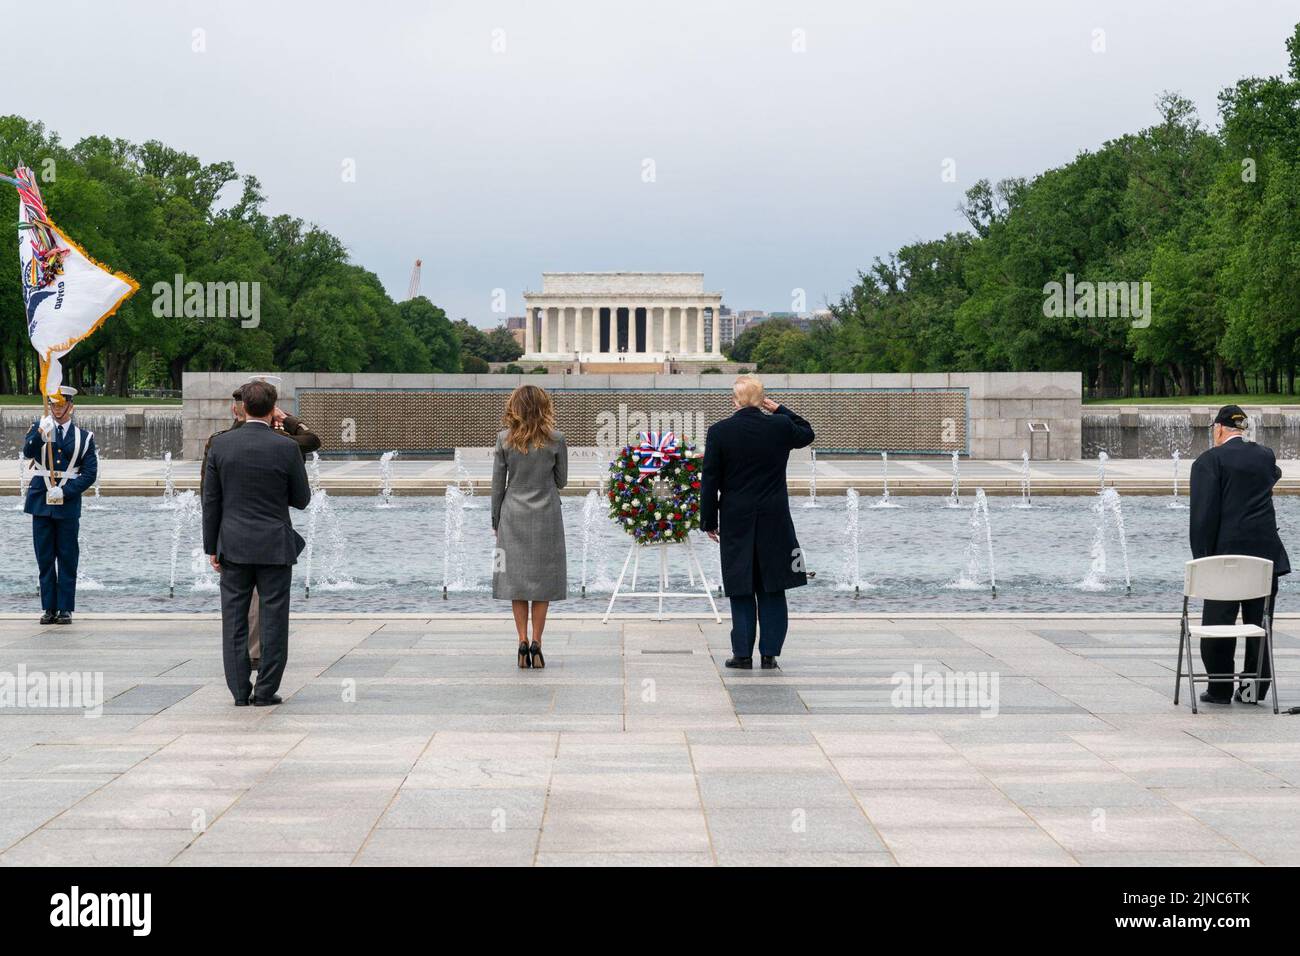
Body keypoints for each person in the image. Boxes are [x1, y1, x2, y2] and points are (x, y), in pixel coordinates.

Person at [202, 379, 311, 706]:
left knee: (234, 620)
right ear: (272, 407)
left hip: (233, 544)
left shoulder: (220, 446)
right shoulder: (287, 446)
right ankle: (265, 692)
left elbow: (211, 502)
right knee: (274, 619)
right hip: (274, 545)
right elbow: (302, 499)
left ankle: (239, 691)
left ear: (242, 407)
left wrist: (212, 548)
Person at [701, 375, 814, 670]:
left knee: (741, 586)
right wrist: (779, 409)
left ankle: (741, 654)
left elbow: (710, 480)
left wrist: (708, 520)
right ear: (762, 399)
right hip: (775, 518)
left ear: (735, 401)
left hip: (736, 517)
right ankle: (770, 653)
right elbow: (807, 433)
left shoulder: (719, 432)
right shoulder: (779, 427)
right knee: (773, 586)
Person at [1189, 404, 1291, 705]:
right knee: (1259, 626)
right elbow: (1274, 474)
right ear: (1240, 428)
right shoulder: (1264, 456)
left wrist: (1203, 559)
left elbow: (1203, 518)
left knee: (1218, 625)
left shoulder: (1209, 461)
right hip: (1265, 559)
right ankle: (1251, 691)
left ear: (1219, 429)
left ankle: (1219, 689)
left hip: (1226, 560)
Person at [491, 384, 568, 669]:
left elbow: (497, 485)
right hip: (546, 515)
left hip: (513, 515)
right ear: (544, 407)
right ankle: (537, 642)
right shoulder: (556, 439)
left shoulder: (504, 440)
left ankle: (521, 640)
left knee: (517, 582)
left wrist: (495, 520)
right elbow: (561, 481)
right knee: (542, 583)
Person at [22, 386, 98, 625]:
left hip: (67, 504)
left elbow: (89, 474)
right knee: (44, 558)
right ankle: (49, 608)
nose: (56, 409)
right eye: (53, 405)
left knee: (67, 556)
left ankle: (65, 608)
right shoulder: (40, 427)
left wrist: (66, 491)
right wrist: (38, 434)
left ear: (70, 406)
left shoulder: (84, 437)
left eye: (60, 405)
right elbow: (27, 452)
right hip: (41, 502)